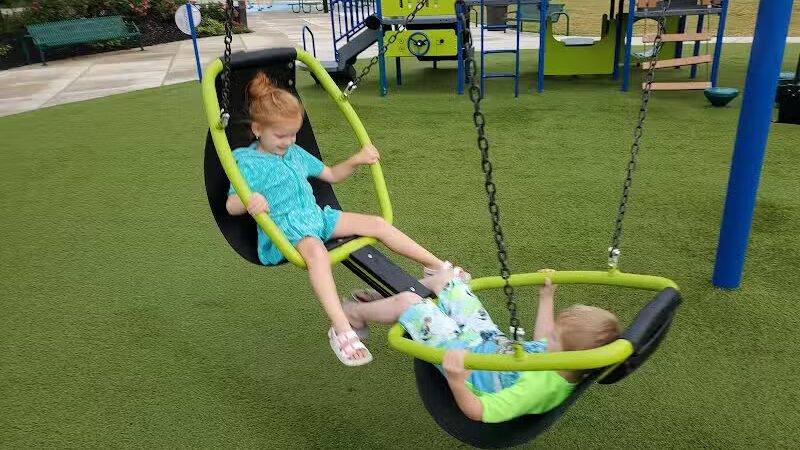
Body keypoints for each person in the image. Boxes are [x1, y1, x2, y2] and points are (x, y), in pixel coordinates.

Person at [226, 72, 468, 366]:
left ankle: (435, 268)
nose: (288, 141)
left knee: (377, 224)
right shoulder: (247, 162)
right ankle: (342, 327)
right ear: (257, 129)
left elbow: (330, 175)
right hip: (285, 231)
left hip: (316, 218)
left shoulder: (295, 153)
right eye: (281, 136)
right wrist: (250, 201)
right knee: (316, 253)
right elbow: (230, 205)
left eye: (293, 134)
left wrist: (356, 159)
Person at [341, 268, 621, 422]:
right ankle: (386, 299)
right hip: (489, 339)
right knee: (448, 279)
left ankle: (353, 314)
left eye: (557, 339)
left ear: (569, 355)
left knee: (409, 304)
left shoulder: (535, 389)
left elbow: (480, 412)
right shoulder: (563, 362)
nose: (550, 338)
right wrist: (546, 298)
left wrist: (457, 381)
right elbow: (542, 341)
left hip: (468, 361)